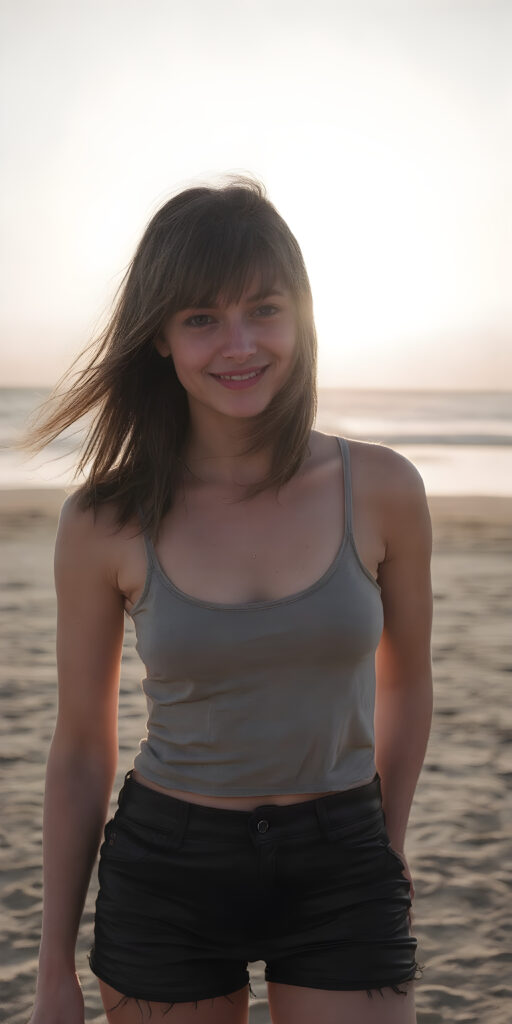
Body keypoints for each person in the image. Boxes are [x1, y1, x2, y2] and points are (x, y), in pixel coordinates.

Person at [23, 174, 433, 1024]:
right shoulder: (104, 519)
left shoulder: (385, 487)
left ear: (302, 317)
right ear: (162, 340)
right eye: (202, 318)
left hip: (343, 856)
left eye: (265, 309)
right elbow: (81, 748)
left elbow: (407, 682)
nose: (239, 343)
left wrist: (384, 844)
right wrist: (51, 966)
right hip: (169, 865)